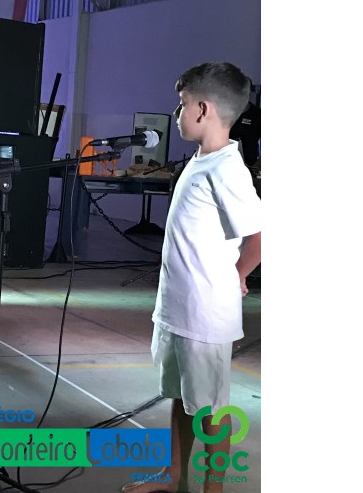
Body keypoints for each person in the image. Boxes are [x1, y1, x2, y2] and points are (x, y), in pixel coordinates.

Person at [122, 62, 261, 493]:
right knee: (182, 396)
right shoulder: (202, 160)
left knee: (211, 410)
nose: (177, 113)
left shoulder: (227, 169)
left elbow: (258, 238)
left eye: (182, 104)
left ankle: (212, 488)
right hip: (178, 309)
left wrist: (237, 277)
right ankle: (173, 475)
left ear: (203, 110)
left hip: (204, 316)